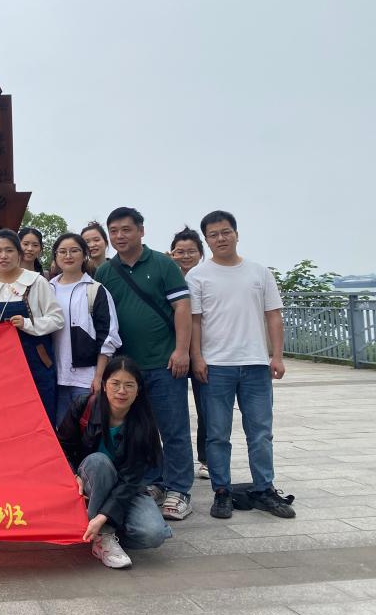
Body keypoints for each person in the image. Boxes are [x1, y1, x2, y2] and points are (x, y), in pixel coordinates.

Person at [188, 210, 295, 520]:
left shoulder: (259, 273)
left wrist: (277, 355)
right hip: (216, 365)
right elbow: (194, 321)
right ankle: (222, 491)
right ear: (206, 240)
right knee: (217, 434)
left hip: (255, 364)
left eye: (226, 232)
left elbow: (273, 315)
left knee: (260, 432)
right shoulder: (198, 276)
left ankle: (264, 489)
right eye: (213, 235)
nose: (221, 238)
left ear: (236, 234)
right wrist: (197, 358)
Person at [93, 207, 194, 521]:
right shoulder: (105, 272)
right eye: (114, 231)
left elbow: (182, 307)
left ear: (141, 231)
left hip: (164, 362)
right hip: (127, 370)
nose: (119, 236)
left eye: (126, 229)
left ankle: (180, 489)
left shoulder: (164, 264)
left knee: (173, 427)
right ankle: (154, 481)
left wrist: (182, 351)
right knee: (141, 428)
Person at [57, 357, 171, 568]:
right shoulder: (84, 405)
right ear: (104, 385)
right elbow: (60, 446)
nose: (121, 391)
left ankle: (103, 529)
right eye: (115, 383)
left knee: (154, 535)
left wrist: (104, 515)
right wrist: (72, 474)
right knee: (99, 462)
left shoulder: (144, 423)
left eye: (129, 385)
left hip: (125, 486)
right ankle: (104, 536)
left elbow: (131, 480)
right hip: (88, 480)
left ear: (138, 390)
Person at [0, 229, 64, 419]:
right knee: (10, 417)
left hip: (37, 360)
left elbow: (57, 319)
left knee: (41, 414)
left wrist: (27, 324)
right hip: (2, 364)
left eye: (9, 250)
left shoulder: (37, 282)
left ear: (19, 253)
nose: (3, 256)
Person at [49, 233, 121, 426]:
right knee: (60, 433)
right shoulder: (47, 289)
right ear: (55, 256)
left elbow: (108, 335)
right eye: (62, 251)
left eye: (74, 251)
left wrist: (99, 377)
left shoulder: (95, 290)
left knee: (88, 432)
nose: (68, 256)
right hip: (54, 378)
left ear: (84, 255)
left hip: (86, 379)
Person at [170, 226, 210, 481]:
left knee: (206, 407)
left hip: (204, 351)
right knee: (174, 410)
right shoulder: (167, 276)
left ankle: (206, 459)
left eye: (191, 251)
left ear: (200, 253)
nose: (185, 256)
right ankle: (174, 459)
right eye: (179, 251)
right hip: (173, 351)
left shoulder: (207, 277)